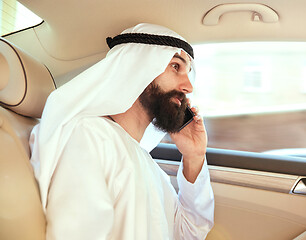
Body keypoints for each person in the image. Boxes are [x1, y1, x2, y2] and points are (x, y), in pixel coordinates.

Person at [29, 23, 214, 240]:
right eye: (175, 66)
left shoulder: (148, 165)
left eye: (188, 72)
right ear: (137, 67)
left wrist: (194, 156)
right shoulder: (90, 136)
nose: (188, 86)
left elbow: (190, 233)